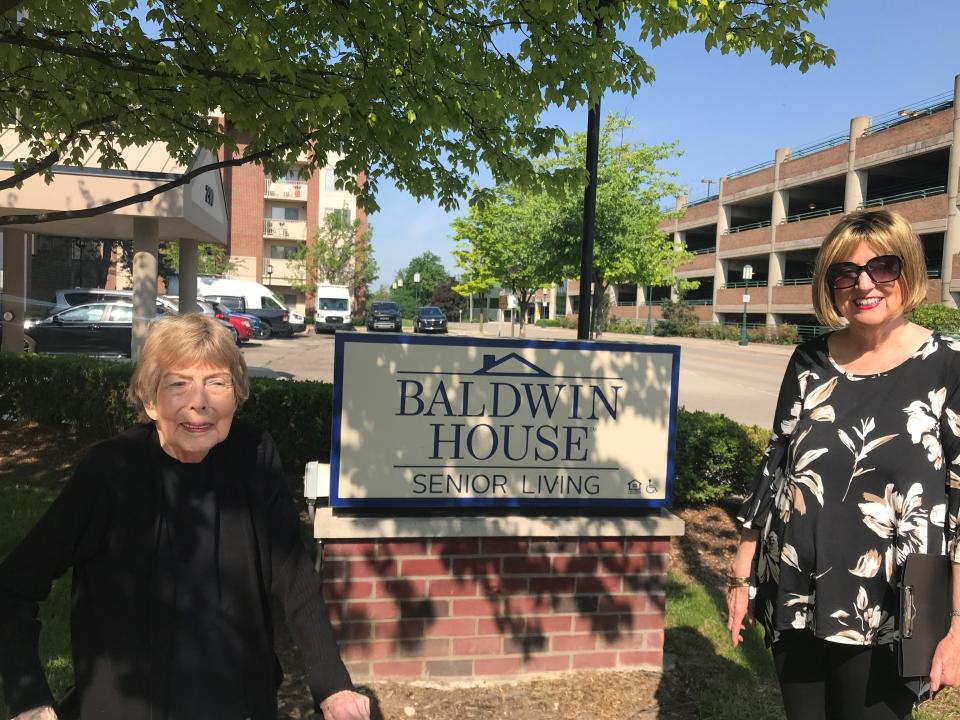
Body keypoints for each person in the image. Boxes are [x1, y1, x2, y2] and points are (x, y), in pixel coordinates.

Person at [0, 313, 370, 720]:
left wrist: (332, 684)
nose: (200, 401)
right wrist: (29, 699)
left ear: (236, 394)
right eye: (178, 384)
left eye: (217, 382)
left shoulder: (254, 455)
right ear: (149, 400)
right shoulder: (111, 472)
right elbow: (13, 589)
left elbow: (294, 577)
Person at [727, 209, 960, 719]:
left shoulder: (949, 364)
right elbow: (776, 463)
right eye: (845, 273)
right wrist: (741, 570)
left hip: (893, 605)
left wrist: (958, 626)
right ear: (830, 285)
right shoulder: (809, 362)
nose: (864, 284)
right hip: (797, 591)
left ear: (910, 272)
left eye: (883, 267)